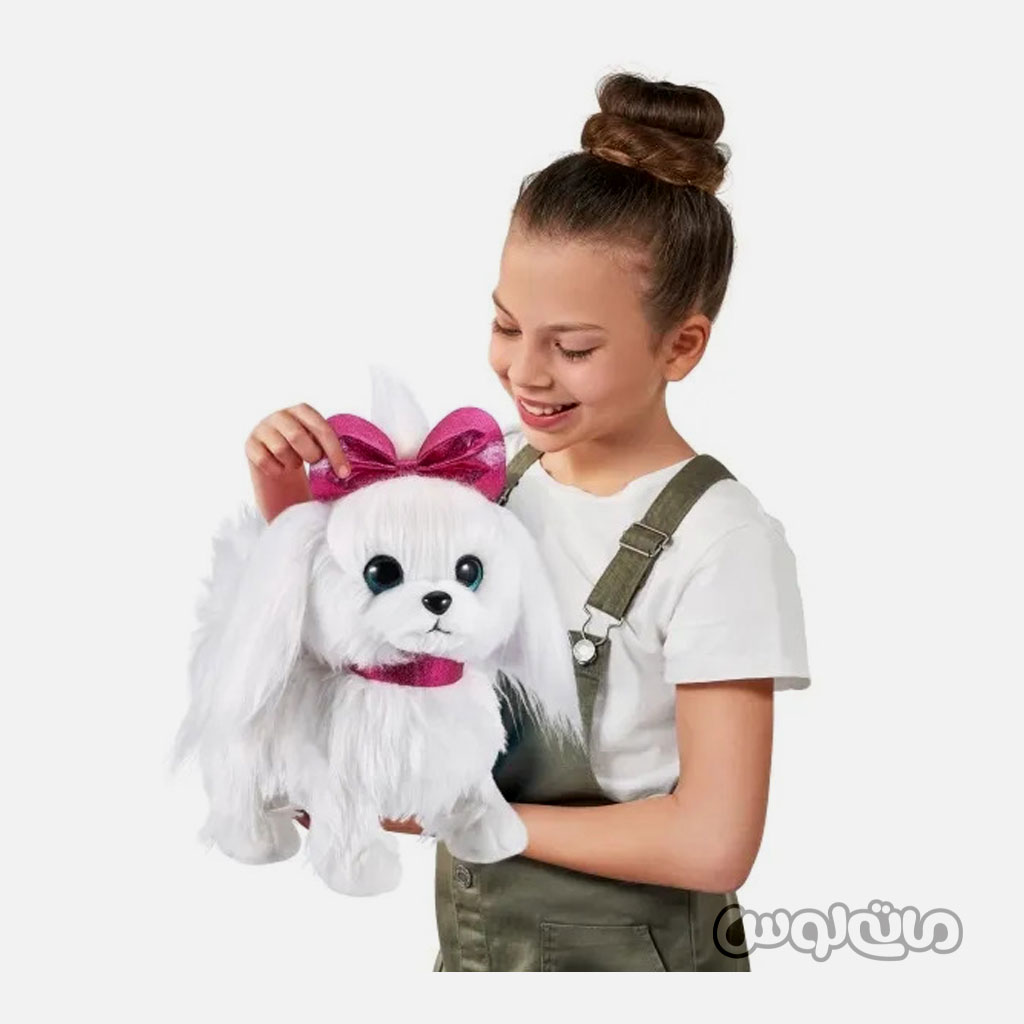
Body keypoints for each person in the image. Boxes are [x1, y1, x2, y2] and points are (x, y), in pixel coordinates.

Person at [244, 71, 810, 971]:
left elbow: (713, 843)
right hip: (480, 954)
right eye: (508, 327)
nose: (526, 373)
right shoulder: (484, 481)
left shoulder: (720, 543)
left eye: (574, 347)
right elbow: (358, 631)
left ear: (681, 345)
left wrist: (466, 811)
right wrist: (285, 503)